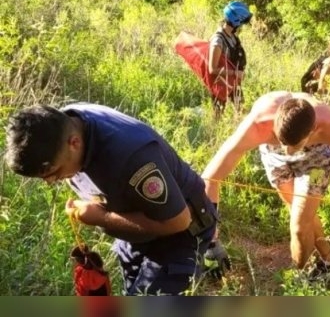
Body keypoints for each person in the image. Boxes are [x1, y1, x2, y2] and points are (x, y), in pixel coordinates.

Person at [3, 103, 218, 295]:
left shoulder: (132, 158)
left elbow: (179, 220)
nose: (51, 181)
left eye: (54, 172)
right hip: (137, 226)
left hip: (181, 232)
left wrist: (103, 218)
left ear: (74, 143)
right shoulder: (64, 124)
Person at [201, 92, 330, 276]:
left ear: (312, 131)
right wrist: (211, 241)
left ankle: (299, 275)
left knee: (299, 227)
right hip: (274, 157)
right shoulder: (259, 124)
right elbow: (210, 177)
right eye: (282, 141)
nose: (288, 150)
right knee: (299, 211)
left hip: (316, 160)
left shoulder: (329, 126)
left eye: (292, 145)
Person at [208, 0, 253, 115]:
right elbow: (212, 69)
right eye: (241, 22)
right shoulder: (218, 40)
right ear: (236, 21)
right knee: (218, 116)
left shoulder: (233, 37)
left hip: (233, 83)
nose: (242, 25)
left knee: (242, 112)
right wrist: (234, 73)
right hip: (221, 84)